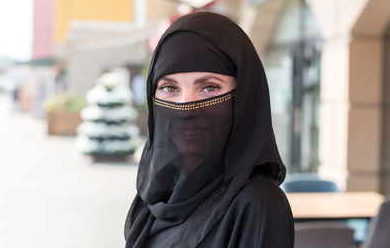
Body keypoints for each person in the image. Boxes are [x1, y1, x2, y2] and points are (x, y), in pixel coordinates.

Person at [124, 12, 294, 248]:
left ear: (243, 97)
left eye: (209, 87)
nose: (187, 107)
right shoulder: (155, 196)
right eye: (169, 88)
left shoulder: (258, 204)